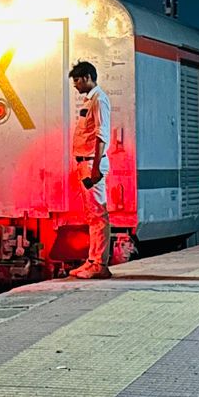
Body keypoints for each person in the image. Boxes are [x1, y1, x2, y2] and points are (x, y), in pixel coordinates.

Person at [68, 60, 112, 278]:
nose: (75, 85)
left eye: (76, 80)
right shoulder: (90, 100)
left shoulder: (99, 100)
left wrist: (95, 168)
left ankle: (100, 265)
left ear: (87, 77)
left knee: (98, 215)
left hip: (92, 163)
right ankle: (92, 260)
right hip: (85, 163)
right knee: (92, 215)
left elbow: (101, 134)